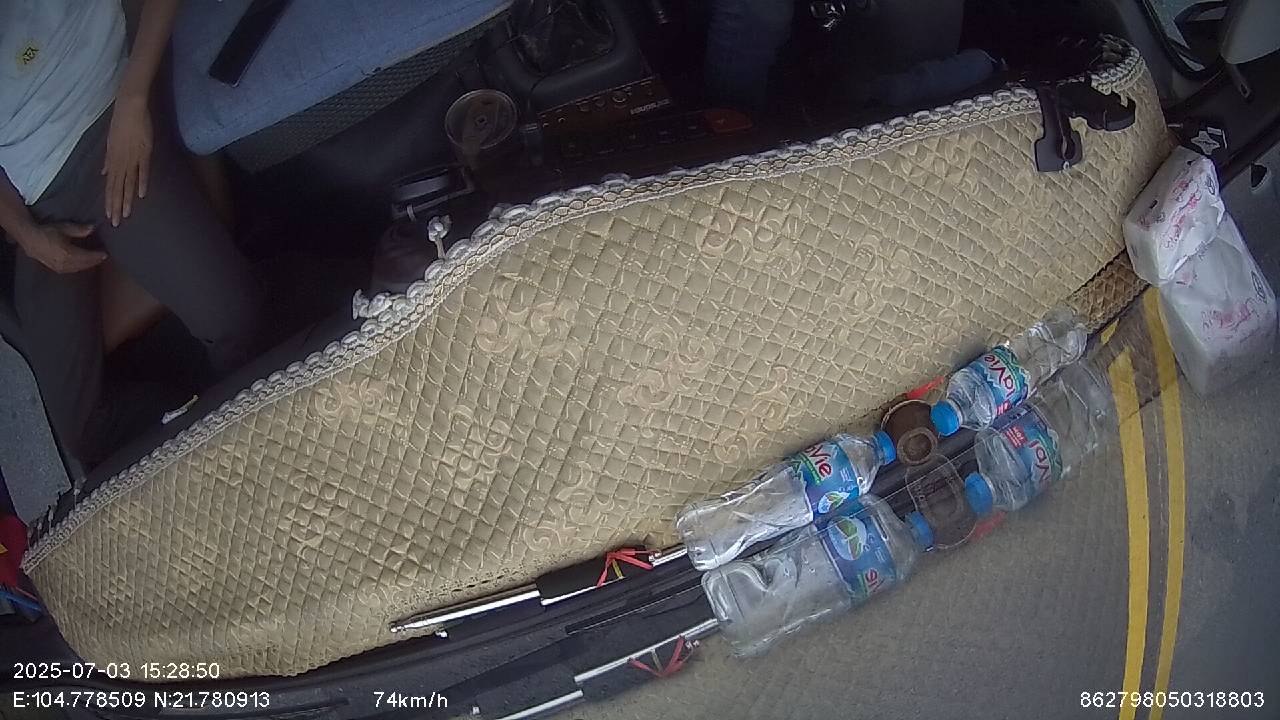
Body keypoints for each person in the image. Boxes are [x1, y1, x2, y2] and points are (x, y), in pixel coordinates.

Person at [0, 1, 264, 465]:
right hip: (33, 201)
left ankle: (261, 432)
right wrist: (24, 232)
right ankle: (205, 457)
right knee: (84, 437)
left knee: (237, 323)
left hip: (106, 117)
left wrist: (134, 99)